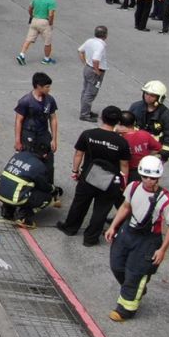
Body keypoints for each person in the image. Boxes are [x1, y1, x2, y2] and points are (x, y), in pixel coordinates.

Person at [105, 156, 169, 323]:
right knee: (117, 265)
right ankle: (136, 288)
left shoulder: (166, 200)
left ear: (158, 177)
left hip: (148, 241)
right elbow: (126, 207)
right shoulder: (133, 187)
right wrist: (113, 226)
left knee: (135, 273)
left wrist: (162, 250)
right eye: (145, 176)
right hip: (127, 233)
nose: (148, 180)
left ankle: (125, 310)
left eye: (152, 178)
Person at [58, 105, 131, 246]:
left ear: (102, 117)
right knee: (101, 210)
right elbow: (124, 165)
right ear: (118, 122)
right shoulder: (121, 142)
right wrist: (124, 183)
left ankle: (70, 228)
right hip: (110, 180)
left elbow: (79, 153)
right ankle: (90, 238)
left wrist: (75, 171)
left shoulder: (88, 134)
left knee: (79, 204)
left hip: (88, 176)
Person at [0, 140, 61, 229]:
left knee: (17, 183)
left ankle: (7, 210)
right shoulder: (39, 165)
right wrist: (53, 189)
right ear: (45, 155)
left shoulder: (18, 155)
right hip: (14, 197)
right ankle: (22, 217)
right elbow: (44, 186)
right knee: (46, 197)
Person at [128, 80, 169, 163]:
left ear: (160, 98)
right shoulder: (136, 107)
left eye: (152, 95)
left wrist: (162, 156)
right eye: (146, 93)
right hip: (135, 149)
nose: (147, 97)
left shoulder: (167, 116)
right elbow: (127, 126)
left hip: (154, 152)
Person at [16, 0, 57, 66]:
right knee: (47, 42)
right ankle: (46, 59)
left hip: (34, 20)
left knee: (29, 39)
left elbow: (30, 8)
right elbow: (51, 14)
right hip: (44, 22)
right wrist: (51, 23)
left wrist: (31, 16)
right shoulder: (51, 1)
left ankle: (22, 54)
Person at [116, 112, 161, 185]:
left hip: (129, 173)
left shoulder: (121, 140)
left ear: (120, 124)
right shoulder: (144, 134)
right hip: (143, 172)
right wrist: (145, 156)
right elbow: (157, 148)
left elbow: (123, 164)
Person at [76, 26, 108, 122]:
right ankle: (84, 114)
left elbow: (80, 51)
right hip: (94, 71)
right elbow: (95, 59)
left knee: (86, 90)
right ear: (105, 35)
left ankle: (86, 110)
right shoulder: (100, 45)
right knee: (91, 93)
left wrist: (85, 63)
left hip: (88, 68)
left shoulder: (90, 41)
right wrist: (97, 70)